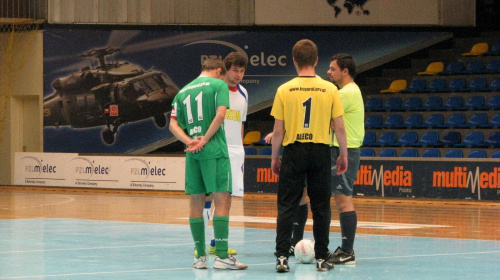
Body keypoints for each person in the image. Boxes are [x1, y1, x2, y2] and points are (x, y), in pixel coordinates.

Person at [270, 39, 348, 273]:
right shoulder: (330, 89)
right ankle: (322, 258)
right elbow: (340, 128)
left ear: (294, 60)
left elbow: (277, 131)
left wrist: (275, 158)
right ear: (316, 60)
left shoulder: (284, 89)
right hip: (320, 151)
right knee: (321, 206)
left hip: (293, 151)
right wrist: (343, 154)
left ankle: (282, 256)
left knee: (286, 206)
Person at [169, 57, 247, 270]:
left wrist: (190, 141)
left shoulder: (182, 91)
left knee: (196, 202)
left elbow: (173, 124)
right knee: (222, 199)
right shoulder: (219, 85)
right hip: (214, 149)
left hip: (192, 152)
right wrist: (205, 139)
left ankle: (200, 258)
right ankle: (222, 256)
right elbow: (221, 114)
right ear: (220, 71)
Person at [198, 52, 248, 256]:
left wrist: (240, 148)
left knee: (227, 199)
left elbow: (241, 123)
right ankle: (200, 243)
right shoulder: (214, 90)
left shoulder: (244, 92)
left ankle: (216, 242)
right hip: (217, 150)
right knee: (210, 196)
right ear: (225, 70)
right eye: (235, 70)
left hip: (236, 153)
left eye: (242, 71)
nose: (238, 75)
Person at [326, 53, 364, 265]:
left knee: (343, 199)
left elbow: (326, 116)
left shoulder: (347, 92)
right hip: (338, 149)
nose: (329, 72)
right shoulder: (346, 91)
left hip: (344, 150)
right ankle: (344, 249)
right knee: (339, 198)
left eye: (332, 69)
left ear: (345, 71)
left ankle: (348, 251)